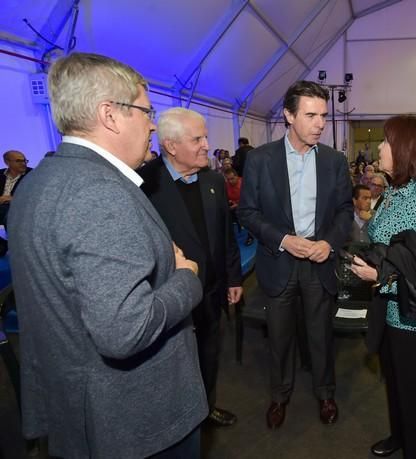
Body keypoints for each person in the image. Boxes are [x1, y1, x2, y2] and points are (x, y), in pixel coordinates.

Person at [8, 52, 206, 458]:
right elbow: (124, 331)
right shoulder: (100, 194)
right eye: (146, 111)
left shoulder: (38, 181)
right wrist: (186, 278)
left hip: (79, 408)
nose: (152, 123)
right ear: (110, 115)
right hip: (135, 420)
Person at [238, 80, 352, 429]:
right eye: (311, 115)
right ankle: (279, 396)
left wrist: (328, 244)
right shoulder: (259, 159)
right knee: (280, 337)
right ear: (289, 115)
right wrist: (285, 240)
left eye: (323, 116)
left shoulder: (334, 161)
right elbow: (247, 213)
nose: (320, 123)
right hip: (279, 263)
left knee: (321, 335)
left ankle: (325, 393)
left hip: (319, 264)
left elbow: (345, 211)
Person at [349, 115, 416, 459]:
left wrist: (381, 276)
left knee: (412, 395)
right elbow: (392, 246)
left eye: (385, 141)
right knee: (393, 383)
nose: (378, 146)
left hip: (415, 319)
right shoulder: (394, 190)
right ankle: (399, 436)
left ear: (406, 149)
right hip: (389, 308)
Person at [139, 107, 244, 428]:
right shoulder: (144, 184)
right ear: (170, 146)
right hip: (167, 299)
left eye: (206, 137)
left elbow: (226, 235)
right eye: (197, 138)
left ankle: (205, 406)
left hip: (211, 293)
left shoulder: (213, 179)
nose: (206, 145)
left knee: (209, 355)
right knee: (172, 363)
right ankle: (177, 420)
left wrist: (233, 278)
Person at [0, 150, 31, 225]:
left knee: (10, 215)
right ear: (7, 162)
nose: (23, 163)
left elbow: (36, 196)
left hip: (18, 208)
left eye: (24, 161)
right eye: (18, 161)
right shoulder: (0, 174)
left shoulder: (32, 174)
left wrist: (13, 198)